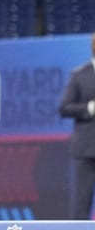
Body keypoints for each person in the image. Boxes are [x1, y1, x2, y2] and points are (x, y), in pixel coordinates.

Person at [60, 32, 95, 219]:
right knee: (81, 203)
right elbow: (64, 107)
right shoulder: (79, 75)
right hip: (86, 151)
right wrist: (89, 107)